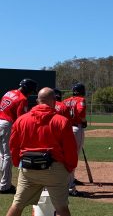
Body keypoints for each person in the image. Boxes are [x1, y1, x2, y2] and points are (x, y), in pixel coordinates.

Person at [6, 87, 78, 216]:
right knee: (62, 208)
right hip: (54, 170)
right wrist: (69, 167)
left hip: (28, 169)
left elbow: (13, 145)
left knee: (17, 205)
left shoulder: (21, 120)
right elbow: (70, 149)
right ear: (54, 101)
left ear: (38, 100)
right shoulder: (62, 121)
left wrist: (18, 162)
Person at [0, 78, 37, 194]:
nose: (32, 93)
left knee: (2, 155)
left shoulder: (9, 92)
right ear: (27, 89)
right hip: (7, 124)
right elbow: (21, 119)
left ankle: (3, 183)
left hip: (0, 121)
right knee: (8, 156)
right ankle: (4, 186)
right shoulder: (22, 99)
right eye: (31, 90)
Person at [63, 83, 87, 195]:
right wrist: (83, 121)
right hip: (77, 128)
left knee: (67, 155)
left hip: (66, 128)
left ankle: (70, 179)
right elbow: (81, 112)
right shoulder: (81, 99)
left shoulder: (65, 101)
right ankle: (70, 182)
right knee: (74, 157)